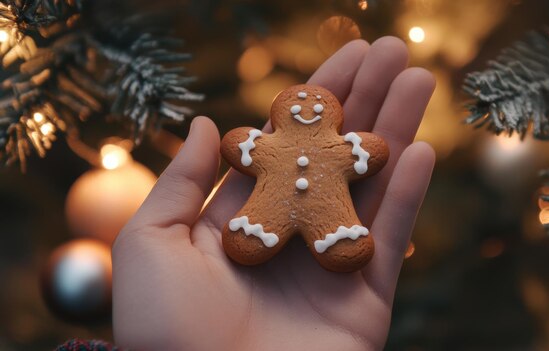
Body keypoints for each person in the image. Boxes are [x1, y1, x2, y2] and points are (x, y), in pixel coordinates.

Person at [111, 36, 435, 351]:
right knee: (257, 227)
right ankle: (256, 234)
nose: (308, 106)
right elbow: (243, 144)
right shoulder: (268, 145)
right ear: (282, 112)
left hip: (327, 211)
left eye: (316, 104)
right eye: (300, 102)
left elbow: (366, 150)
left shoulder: (340, 148)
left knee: (335, 226)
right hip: (269, 209)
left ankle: (338, 238)